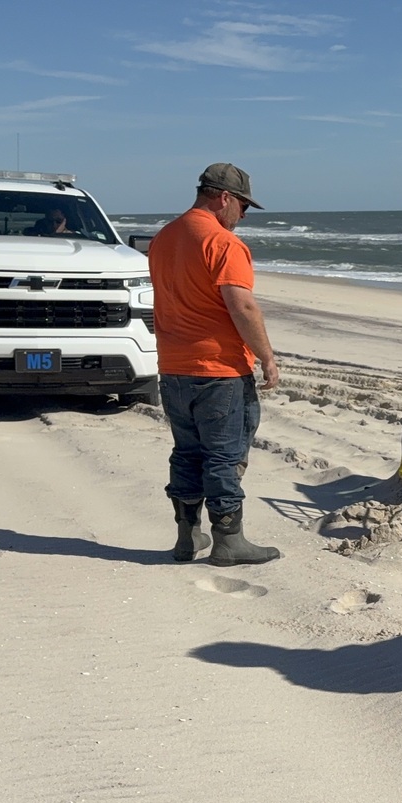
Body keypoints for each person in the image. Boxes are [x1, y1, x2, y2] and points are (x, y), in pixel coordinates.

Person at [148, 163, 281, 566]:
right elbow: (241, 305)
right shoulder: (222, 244)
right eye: (243, 206)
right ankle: (228, 540)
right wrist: (268, 357)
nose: (243, 216)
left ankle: (187, 535)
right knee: (224, 456)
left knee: (187, 452)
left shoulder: (163, 239)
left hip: (173, 367)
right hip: (218, 369)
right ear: (224, 198)